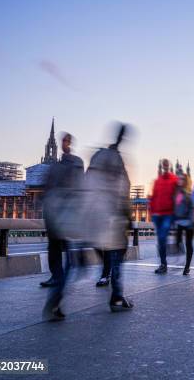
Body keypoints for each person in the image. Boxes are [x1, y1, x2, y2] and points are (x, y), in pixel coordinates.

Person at [83, 123, 134, 312]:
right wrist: (127, 215)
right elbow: (124, 188)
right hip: (112, 213)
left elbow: (87, 183)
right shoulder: (117, 161)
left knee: (106, 248)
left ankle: (106, 274)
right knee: (118, 251)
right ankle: (117, 296)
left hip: (96, 213)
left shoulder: (97, 157)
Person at [41, 133, 84, 320]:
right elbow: (80, 191)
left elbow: (47, 191)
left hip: (56, 216)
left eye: (67, 141)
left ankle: (56, 290)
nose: (65, 144)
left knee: (61, 256)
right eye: (64, 141)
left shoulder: (57, 167)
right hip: (64, 218)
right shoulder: (74, 165)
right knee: (71, 261)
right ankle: (56, 297)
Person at [150, 159, 178, 274]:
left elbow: (178, 196)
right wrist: (152, 211)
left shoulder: (174, 179)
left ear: (169, 166)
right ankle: (163, 263)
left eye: (167, 165)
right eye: (164, 165)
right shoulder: (158, 181)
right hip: (157, 214)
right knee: (161, 240)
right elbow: (154, 196)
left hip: (168, 214)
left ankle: (164, 263)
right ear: (162, 166)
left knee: (162, 237)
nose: (165, 166)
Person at [174, 172, 194, 275]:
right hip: (179, 221)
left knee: (188, 244)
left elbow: (192, 208)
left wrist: (191, 221)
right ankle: (180, 258)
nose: (179, 180)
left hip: (189, 222)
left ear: (186, 181)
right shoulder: (177, 192)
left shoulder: (189, 193)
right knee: (178, 241)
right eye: (179, 179)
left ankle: (187, 266)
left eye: (182, 179)